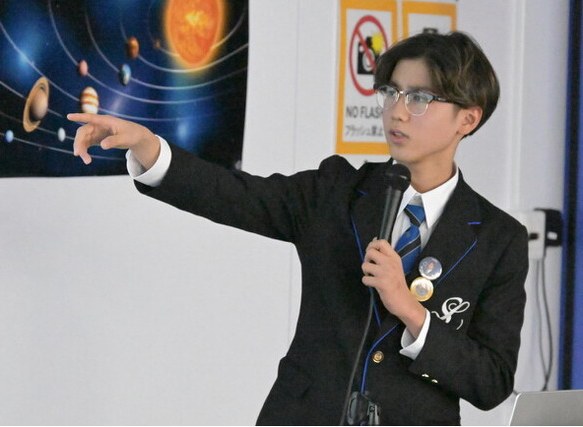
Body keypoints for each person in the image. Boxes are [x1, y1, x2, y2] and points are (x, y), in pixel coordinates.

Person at [68, 31, 528, 425]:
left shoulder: (498, 238)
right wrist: (149, 148)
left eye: (420, 99)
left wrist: (411, 311)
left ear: (468, 118)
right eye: (392, 93)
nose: (397, 112)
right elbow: (235, 195)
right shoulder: (337, 191)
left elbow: (491, 382)